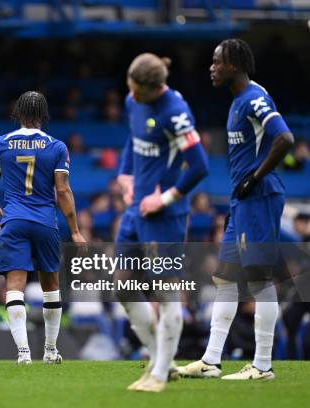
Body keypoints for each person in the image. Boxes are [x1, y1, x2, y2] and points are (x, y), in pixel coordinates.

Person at [178, 39, 294, 381]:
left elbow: (284, 139)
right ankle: (211, 360)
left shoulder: (253, 99)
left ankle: (262, 366)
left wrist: (254, 178)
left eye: (217, 62)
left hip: (259, 197)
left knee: (259, 280)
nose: (211, 67)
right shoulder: (238, 100)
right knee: (225, 278)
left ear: (235, 64)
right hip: (242, 199)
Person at [116, 53, 209, 392]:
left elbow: (199, 166)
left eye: (136, 88)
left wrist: (165, 198)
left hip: (165, 216)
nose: (130, 92)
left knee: (167, 293)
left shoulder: (176, 114)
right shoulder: (133, 100)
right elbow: (133, 138)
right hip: (135, 210)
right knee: (122, 285)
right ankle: (161, 361)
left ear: (154, 87)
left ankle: (158, 374)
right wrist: (126, 174)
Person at [0, 91, 85, 365]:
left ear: (17, 113)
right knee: (50, 287)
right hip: (44, 222)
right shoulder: (56, 146)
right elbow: (62, 191)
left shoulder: (0, 143)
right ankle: (51, 351)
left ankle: (23, 353)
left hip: (13, 221)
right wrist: (74, 229)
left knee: (14, 286)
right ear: (43, 115)